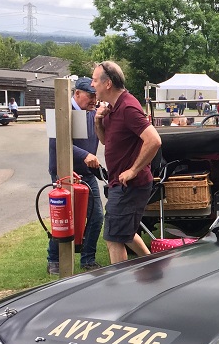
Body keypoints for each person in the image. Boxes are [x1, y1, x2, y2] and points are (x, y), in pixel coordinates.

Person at [92, 60, 162, 265]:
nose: (92, 85)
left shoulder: (128, 107)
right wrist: (98, 121)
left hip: (130, 185)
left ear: (108, 84)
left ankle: (121, 290)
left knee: (113, 238)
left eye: (95, 81)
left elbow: (154, 140)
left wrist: (132, 170)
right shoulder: (113, 108)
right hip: (120, 183)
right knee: (127, 233)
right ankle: (153, 267)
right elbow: (106, 141)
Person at [46, 76, 105, 275]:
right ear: (77, 93)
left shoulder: (92, 113)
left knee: (96, 216)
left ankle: (87, 259)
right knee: (64, 218)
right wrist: (86, 154)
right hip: (63, 173)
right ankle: (54, 260)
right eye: (90, 95)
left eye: (95, 96)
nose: (94, 100)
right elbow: (57, 143)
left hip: (86, 174)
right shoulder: (62, 113)